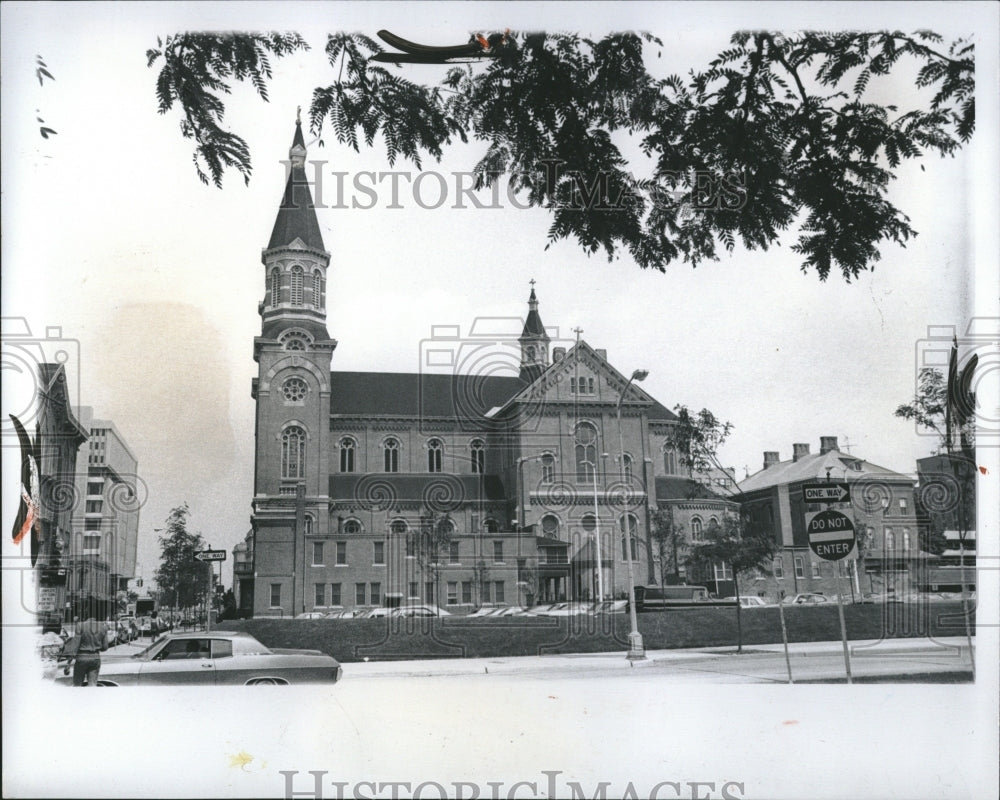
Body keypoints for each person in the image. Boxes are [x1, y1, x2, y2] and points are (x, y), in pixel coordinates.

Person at [69, 616, 109, 687]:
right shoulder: (103, 627)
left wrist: (68, 663)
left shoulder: (80, 625)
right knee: (92, 685)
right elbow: (105, 647)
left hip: (82, 657)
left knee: (77, 685)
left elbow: (75, 647)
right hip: (95, 657)